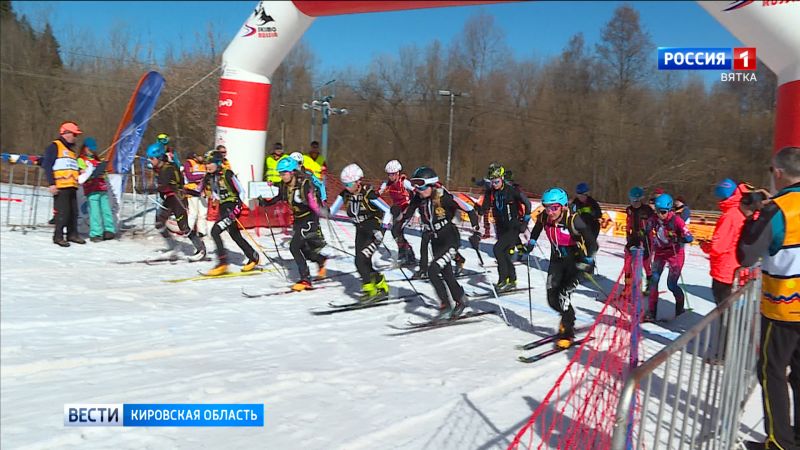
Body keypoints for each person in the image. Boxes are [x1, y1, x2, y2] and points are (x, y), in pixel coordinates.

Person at [737, 146, 800, 450]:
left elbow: (746, 255)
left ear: (778, 173)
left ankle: (779, 442)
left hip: (784, 307)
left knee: (771, 371)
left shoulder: (779, 209)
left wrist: (752, 217)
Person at [401, 167, 480, 321]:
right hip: (436, 241)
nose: (418, 190)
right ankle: (461, 299)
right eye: (416, 187)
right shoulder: (418, 198)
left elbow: (469, 209)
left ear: (431, 185)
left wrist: (476, 232)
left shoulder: (444, 197)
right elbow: (407, 214)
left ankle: (446, 305)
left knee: (432, 270)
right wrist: (398, 225)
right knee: (447, 274)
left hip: (450, 239)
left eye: (422, 187)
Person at [529, 187, 598, 348]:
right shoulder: (544, 217)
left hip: (575, 262)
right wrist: (531, 242)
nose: (550, 211)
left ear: (563, 206)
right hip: (557, 261)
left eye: (554, 207)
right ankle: (568, 317)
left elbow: (592, 241)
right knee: (552, 299)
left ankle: (568, 331)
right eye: (546, 207)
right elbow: (537, 228)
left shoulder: (573, 220)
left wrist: (588, 258)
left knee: (563, 295)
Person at [699, 178, 749, 362]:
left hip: (725, 272)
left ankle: (724, 355)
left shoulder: (730, 215)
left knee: (726, 316)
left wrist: (706, 246)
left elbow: (719, 247)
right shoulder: (742, 210)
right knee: (732, 315)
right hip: (736, 270)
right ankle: (729, 352)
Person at [259, 157, 327, 291]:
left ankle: (305, 279)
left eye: (284, 173)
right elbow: (279, 197)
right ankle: (320, 260)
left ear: (292, 172)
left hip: (309, 219)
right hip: (298, 220)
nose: (282, 176)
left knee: (294, 247)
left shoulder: (304, 184)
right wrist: (266, 203)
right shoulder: (285, 185)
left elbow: (312, 201)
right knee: (304, 250)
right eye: (280, 173)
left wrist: (322, 211)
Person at [328, 164, 393, 302]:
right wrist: (317, 208)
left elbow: (388, 210)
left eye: (350, 184)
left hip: (374, 232)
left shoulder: (368, 194)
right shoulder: (345, 194)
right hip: (360, 231)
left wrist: (383, 229)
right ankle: (381, 284)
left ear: (358, 182)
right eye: (345, 184)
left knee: (360, 260)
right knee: (363, 262)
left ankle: (369, 290)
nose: (347, 187)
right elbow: (331, 211)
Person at [476, 164, 531, 292]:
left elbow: (527, 204)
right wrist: (478, 210)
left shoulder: (511, 190)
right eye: (492, 182)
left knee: (497, 249)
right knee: (505, 253)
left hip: (513, 226)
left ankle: (502, 279)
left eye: (497, 181)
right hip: (500, 227)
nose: (494, 184)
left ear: (502, 178)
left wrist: (525, 222)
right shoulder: (490, 192)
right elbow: (485, 208)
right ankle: (512, 279)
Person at [146, 142, 206, 261]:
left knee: (183, 227)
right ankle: (173, 246)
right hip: (169, 199)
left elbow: (165, 186)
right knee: (159, 223)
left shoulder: (168, 169)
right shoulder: (161, 166)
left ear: (158, 157)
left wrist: (148, 189)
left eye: (152, 158)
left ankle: (201, 249)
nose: (150, 161)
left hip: (177, 199)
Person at [203, 150, 259, 276]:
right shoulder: (211, 177)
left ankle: (222, 263)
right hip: (223, 208)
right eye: (206, 163)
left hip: (233, 207)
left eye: (210, 163)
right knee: (235, 234)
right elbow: (214, 193)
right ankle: (253, 257)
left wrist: (237, 208)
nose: (207, 166)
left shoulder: (227, 173)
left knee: (215, 231)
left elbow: (242, 191)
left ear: (217, 163)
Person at [644, 193, 693, 321]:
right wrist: (646, 230)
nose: (660, 215)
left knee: (671, 284)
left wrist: (678, 238)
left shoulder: (677, 220)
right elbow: (646, 229)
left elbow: (689, 237)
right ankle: (652, 312)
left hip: (675, 253)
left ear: (670, 210)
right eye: (658, 211)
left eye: (663, 212)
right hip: (660, 252)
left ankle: (679, 308)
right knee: (654, 280)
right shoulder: (654, 219)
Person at [41, 121, 85, 247]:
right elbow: (48, 165)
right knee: (63, 213)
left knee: (74, 212)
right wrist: (51, 184)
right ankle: (58, 236)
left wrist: (79, 170)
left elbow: (68, 166)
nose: (75, 137)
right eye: (74, 134)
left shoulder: (71, 151)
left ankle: (72, 234)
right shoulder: (55, 146)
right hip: (60, 186)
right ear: (65, 133)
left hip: (72, 185)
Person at [378, 159, 416, 266]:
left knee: (397, 229)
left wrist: (416, 208)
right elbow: (379, 191)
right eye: (389, 174)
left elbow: (416, 191)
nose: (390, 177)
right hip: (396, 210)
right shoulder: (387, 183)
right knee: (396, 232)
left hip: (406, 208)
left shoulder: (404, 182)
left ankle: (409, 254)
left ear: (398, 173)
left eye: (393, 174)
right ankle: (403, 251)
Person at [77, 137, 116, 242]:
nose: (92, 151)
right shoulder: (81, 159)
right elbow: (82, 173)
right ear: (85, 148)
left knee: (106, 209)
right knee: (95, 212)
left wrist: (102, 170)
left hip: (102, 187)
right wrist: (89, 171)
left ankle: (109, 229)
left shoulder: (97, 160)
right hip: (91, 188)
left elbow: (104, 173)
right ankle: (96, 233)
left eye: (93, 149)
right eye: (90, 149)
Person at [624, 186, 654, 294]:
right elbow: (628, 222)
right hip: (633, 237)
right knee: (627, 259)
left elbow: (651, 223)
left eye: (635, 201)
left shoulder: (647, 210)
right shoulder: (629, 210)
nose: (633, 203)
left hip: (646, 239)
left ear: (639, 199)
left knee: (646, 263)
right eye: (631, 200)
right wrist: (627, 233)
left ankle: (650, 286)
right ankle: (628, 286)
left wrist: (645, 231)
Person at [183, 151, 208, 237]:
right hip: (192, 190)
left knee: (203, 213)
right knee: (193, 212)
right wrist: (203, 176)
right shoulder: (189, 163)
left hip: (203, 191)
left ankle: (202, 231)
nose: (202, 158)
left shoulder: (204, 164)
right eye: (200, 156)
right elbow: (190, 177)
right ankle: (188, 230)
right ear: (195, 156)